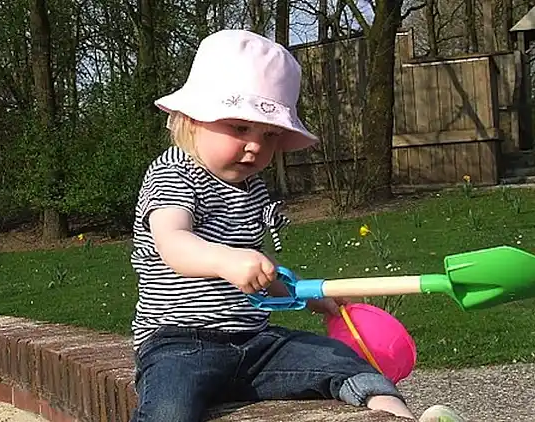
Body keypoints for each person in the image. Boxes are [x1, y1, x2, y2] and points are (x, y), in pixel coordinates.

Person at [128, 29, 465, 422]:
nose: (256, 145)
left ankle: (398, 415)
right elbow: (173, 241)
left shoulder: (252, 187)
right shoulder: (174, 172)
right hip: (180, 344)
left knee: (343, 361)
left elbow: (260, 272)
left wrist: (310, 295)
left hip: (256, 344)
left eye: (269, 135)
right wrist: (226, 260)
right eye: (240, 128)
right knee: (168, 411)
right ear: (192, 119)